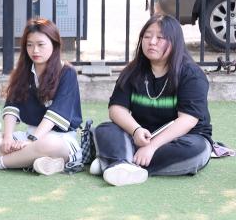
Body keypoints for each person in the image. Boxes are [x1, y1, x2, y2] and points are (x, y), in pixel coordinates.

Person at [90, 13, 212, 186]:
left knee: (196, 150)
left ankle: (115, 161)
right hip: (140, 136)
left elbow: (187, 120)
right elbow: (116, 109)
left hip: (181, 138)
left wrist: (152, 147)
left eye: (160, 38)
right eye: (147, 37)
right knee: (105, 129)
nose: (152, 42)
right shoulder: (132, 71)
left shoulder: (191, 75)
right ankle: (119, 163)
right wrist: (136, 131)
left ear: (175, 42)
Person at [0, 18, 83, 175]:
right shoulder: (23, 71)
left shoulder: (67, 73)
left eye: (41, 44)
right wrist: (8, 138)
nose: (35, 50)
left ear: (54, 44)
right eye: (29, 45)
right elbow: (12, 107)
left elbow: (55, 115)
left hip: (60, 140)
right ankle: (38, 161)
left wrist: (32, 140)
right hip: (28, 137)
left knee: (47, 144)